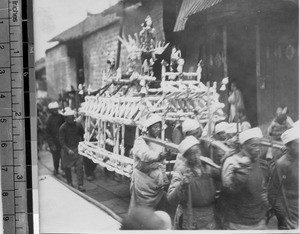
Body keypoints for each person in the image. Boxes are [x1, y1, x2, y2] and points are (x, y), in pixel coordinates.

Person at [221, 127, 269, 229]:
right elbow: (227, 190)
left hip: (259, 219)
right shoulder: (232, 162)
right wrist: (241, 174)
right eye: (253, 145)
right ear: (243, 146)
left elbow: (261, 188)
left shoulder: (258, 162)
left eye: (259, 145)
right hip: (238, 222)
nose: (258, 149)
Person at [167, 136, 218, 230]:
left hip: (209, 216)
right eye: (191, 154)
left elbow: (221, 175)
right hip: (190, 217)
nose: (195, 156)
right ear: (185, 157)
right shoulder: (181, 171)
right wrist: (181, 184)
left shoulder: (208, 165)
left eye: (197, 151)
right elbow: (171, 199)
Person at [129, 114, 168, 213]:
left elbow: (162, 164)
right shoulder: (140, 141)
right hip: (143, 181)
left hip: (155, 181)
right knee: (141, 210)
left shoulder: (159, 142)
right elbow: (145, 155)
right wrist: (158, 156)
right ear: (149, 128)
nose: (158, 129)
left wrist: (164, 178)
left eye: (159, 127)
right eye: (155, 127)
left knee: (158, 209)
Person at [268, 126, 299, 229]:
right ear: (288, 146)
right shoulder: (282, 164)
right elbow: (272, 194)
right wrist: (283, 217)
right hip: (290, 215)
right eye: (297, 144)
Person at [59, 107, 85, 192]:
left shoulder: (78, 125)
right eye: (69, 117)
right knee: (67, 167)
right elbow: (61, 141)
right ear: (66, 118)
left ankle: (80, 184)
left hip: (77, 149)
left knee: (80, 167)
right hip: (67, 150)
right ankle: (69, 182)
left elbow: (83, 136)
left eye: (72, 117)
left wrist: (83, 145)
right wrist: (67, 150)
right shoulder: (62, 128)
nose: (71, 119)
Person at [45, 101, 65, 176]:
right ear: (51, 111)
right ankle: (56, 169)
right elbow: (48, 134)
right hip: (54, 141)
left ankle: (63, 169)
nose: (55, 111)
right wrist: (51, 144)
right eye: (53, 109)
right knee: (56, 157)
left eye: (56, 109)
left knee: (63, 156)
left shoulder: (61, 117)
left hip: (62, 140)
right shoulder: (49, 120)